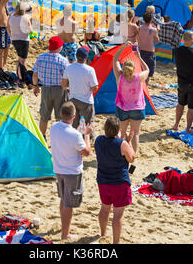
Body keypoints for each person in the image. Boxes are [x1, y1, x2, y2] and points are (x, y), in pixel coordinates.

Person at [50, 101, 92, 241]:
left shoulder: (54, 127)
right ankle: (65, 234)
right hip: (72, 172)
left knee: (63, 199)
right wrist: (86, 135)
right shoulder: (75, 135)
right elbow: (86, 152)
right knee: (68, 204)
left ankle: (64, 229)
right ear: (74, 116)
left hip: (59, 169)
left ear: (61, 113)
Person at [95, 117, 135, 244]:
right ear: (118, 130)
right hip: (119, 182)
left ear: (105, 128)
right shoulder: (121, 144)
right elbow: (132, 158)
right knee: (118, 215)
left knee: (105, 208)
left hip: (103, 181)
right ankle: (116, 242)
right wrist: (128, 141)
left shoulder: (98, 140)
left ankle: (103, 233)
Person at [113, 42, 149, 153]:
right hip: (137, 108)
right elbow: (147, 69)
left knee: (122, 133)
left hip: (123, 108)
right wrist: (139, 57)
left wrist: (123, 47)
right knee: (135, 134)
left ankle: (121, 153)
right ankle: (133, 155)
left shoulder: (119, 76)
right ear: (133, 69)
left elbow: (115, 60)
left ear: (124, 68)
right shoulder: (139, 77)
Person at [32, 36, 69, 139]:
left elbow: (35, 75)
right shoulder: (63, 60)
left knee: (44, 116)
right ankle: (59, 137)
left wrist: (35, 86)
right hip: (59, 90)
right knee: (60, 116)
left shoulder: (41, 57)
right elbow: (66, 78)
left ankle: (42, 137)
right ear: (59, 47)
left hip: (46, 88)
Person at [173, 31, 193, 133]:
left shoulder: (177, 51)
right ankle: (188, 128)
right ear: (192, 40)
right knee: (192, 107)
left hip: (182, 82)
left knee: (180, 103)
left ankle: (176, 125)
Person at [61, 47, 98, 132]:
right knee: (88, 125)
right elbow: (95, 88)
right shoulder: (90, 70)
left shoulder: (69, 67)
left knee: (74, 125)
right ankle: (87, 141)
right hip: (86, 100)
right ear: (86, 57)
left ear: (76, 56)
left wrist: (73, 83)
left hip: (73, 99)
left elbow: (63, 84)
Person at [7, 1, 32, 78]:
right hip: (23, 40)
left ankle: (18, 75)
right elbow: (30, 31)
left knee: (19, 57)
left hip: (15, 39)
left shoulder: (11, 17)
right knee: (23, 60)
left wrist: (11, 36)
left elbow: (8, 28)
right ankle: (22, 77)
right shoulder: (25, 18)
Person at [137, 11, 159, 81]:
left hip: (141, 51)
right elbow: (157, 41)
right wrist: (157, 30)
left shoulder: (139, 28)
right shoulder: (153, 30)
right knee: (148, 73)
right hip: (150, 53)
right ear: (151, 19)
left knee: (142, 71)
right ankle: (145, 89)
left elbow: (138, 40)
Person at [0, 0, 12, 69]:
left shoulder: (3, 4)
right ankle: (0, 66)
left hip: (6, 28)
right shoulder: (0, 3)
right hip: (2, 29)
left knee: (8, 45)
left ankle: (5, 62)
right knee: (1, 48)